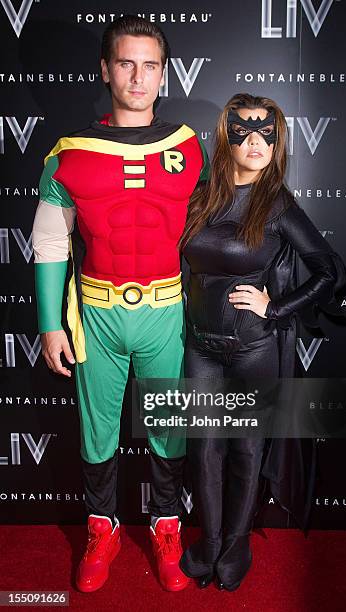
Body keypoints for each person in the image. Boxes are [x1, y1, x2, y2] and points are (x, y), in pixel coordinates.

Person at [32, 15, 208, 593]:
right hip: (96, 311)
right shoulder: (67, 154)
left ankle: (165, 526)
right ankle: (102, 527)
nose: (138, 76)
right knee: (97, 431)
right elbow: (53, 240)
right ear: (105, 69)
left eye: (150, 64)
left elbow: (219, 229)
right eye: (126, 62)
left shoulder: (189, 148)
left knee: (168, 428)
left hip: (167, 308)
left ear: (164, 73)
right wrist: (47, 323)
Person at [179, 93, 346, 591]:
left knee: (246, 451)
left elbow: (329, 271)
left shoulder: (277, 204)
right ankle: (208, 543)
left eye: (267, 134)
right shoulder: (200, 195)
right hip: (199, 348)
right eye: (245, 132)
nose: (256, 142)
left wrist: (275, 307)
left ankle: (235, 546)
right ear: (225, 137)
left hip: (254, 351)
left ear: (278, 143)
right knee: (204, 450)